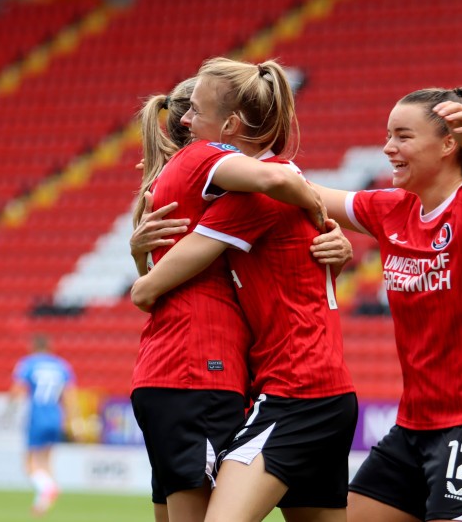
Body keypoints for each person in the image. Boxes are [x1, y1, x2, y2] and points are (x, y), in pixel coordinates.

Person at [130, 56, 357, 522]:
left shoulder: (255, 193)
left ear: (229, 124)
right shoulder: (270, 185)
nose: (187, 120)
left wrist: (144, 281)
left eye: (195, 109)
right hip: (320, 390)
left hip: (290, 392)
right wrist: (328, 228)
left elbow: (175, 265)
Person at [305, 87, 462, 522]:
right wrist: (226, 163)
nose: (389, 147)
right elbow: (305, 192)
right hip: (414, 427)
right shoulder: (390, 209)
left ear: (450, 145)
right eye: (389, 135)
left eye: (403, 136)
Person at [8, 332, 79, 517]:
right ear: (49, 347)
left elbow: (17, 390)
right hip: (56, 416)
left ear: (33, 347)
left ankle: (49, 489)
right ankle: (42, 504)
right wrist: (73, 421)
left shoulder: (28, 363)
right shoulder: (62, 366)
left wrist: (8, 409)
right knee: (46, 461)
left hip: (37, 416)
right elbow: (70, 396)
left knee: (30, 463)